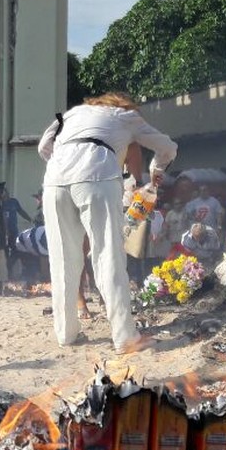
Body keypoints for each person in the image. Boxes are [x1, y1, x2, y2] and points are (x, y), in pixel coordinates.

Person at [38, 91, 177, 351]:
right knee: (107, 255)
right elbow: (168, 147)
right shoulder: (126, 116)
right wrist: (156, 170)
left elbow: (43, 146)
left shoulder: (70, 114)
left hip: (54, 179)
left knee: (63, 259)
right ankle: (125, 336)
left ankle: (66, 334)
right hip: (98, 176)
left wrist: (63, 163)